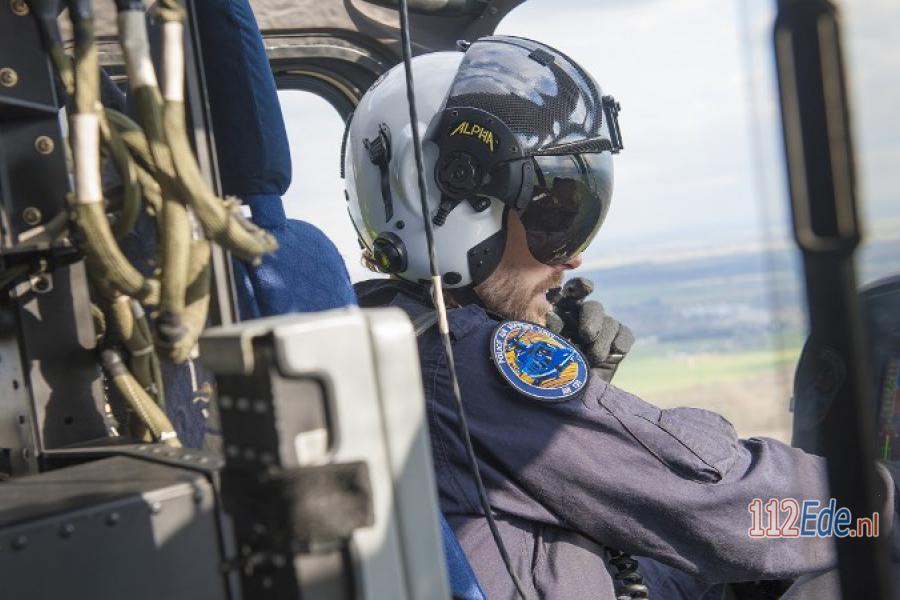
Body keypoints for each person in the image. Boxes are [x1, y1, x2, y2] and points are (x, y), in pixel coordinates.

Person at [345, 36, 899, 599]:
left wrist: (581, 402)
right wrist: (875, 504)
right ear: (437, 200)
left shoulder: (383, 332)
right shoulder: (469, 364)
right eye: (554, 215)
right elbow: (728, 507)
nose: (574, 256)